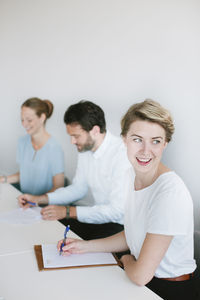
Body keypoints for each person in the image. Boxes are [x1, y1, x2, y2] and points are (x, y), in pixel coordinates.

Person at [56, 100, 199, 300]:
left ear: (165, 143)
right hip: (144, 281)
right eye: (137, 139)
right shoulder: (131, 175)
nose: (145, 150)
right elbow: (132, 233)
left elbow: (140, 275)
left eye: (156, 141)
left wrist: (125, 258)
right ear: (124, 139)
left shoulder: (170, 193)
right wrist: (85, 246)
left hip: (167, 290)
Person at [18, 100, 131, 240]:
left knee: (66, 239)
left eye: (76, 136)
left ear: (95, 131)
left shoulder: (122, 154)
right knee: (48, 224)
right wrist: (39, 199)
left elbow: (116, 211)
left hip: (120, 227)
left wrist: (67, 211)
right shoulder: (85, 149)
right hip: (97, 217)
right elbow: (78, 188)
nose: (72, 142)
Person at [0, 97, 64, 195]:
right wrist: (4, 179)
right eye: (22, 120)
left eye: (29, 120)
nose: (24, 124)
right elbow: (24, 174)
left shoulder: (54, 148)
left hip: (43, 207)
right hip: (24, 202)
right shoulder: (22, 142)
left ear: (42, 118)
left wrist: (35, 201)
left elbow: (58, 188)